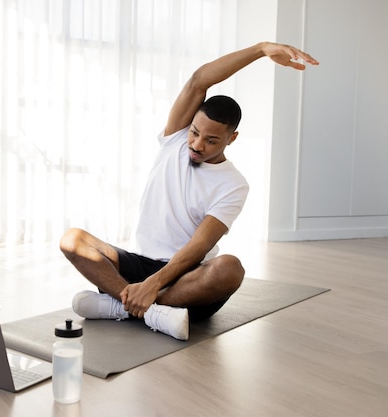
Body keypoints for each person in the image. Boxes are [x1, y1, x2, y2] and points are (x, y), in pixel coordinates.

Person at [59, 42, 319, 340]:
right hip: (137, 266)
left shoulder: (233, 184)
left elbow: (199, 246)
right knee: (73, 240)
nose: (196, 145)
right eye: (195, 133)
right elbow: (199, 80)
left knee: (230, 269)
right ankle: (150, 311)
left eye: (211, 140)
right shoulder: (175, 138)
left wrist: (154, 284)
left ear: (231, 139)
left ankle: (121, 304)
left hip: (185, 278)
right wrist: (261, 50)